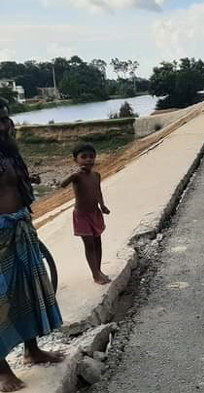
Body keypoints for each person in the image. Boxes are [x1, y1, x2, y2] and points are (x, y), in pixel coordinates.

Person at [0, 100, 64, 392]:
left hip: (21, 227)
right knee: (1, 302)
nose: (2, 126)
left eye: (4, 119)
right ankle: (3, 372)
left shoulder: (10, 153)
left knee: (29, 289)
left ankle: (32, 350)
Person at [60, 144, 111, 285]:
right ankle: (95, 275)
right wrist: (72, 174)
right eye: (84, 157)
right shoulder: (77, 176)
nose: (88, 160)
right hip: (81, 215)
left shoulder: (96, 175)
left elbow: (98, 191)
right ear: (76, 160)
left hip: (95, 213)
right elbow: (62, 184)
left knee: (97, 242)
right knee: (89, 245)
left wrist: (102, 205)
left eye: (91, 156)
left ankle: (98, 270)